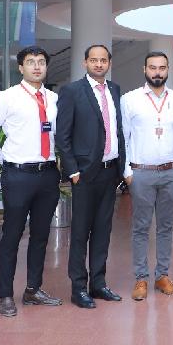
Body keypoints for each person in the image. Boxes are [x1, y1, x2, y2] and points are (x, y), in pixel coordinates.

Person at [0, 45, 63, 317]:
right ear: (21, 67)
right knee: (12, 235)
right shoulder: (8, 97)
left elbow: (59, 134)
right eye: (31, 62)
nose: (37, 67)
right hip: (18, 175)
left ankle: (33, 289)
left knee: (41, 235)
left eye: (41, 62)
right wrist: (6, 161)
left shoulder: (53, 99)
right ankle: (5, 294)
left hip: (47, 174)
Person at [54, 44, 126, 309]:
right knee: (80, 232)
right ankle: (78, 287)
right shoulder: (72, 91)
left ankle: (98, 283)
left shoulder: (115, 89)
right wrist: (73, 171)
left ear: (109, 63)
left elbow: (117, 130)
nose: (98, 64)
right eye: (93, 60)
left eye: (103, 60)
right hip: (83, 175)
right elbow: (63, 135)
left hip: (110, 172)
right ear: (85, 62)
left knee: (103, 231)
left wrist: (121, 167)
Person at [121, 50, 173, 300]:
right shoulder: (130, 99)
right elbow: (124, 137)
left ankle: (162, 275)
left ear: (168, 70)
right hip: (141, 173)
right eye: (152, 67)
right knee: (141, 227)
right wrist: (127, 172)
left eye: (162, 68)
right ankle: (141, 278)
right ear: (144, 69)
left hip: (172, 172)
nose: (157, 72)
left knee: (166, 226)